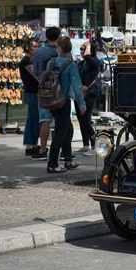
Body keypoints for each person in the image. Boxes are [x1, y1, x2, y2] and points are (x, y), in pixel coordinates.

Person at [46, 36, 86, 173]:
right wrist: (81, 104)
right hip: (63, 101)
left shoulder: (51, 62)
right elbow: (77, 86)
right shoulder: (71, 64)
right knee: (61, 132)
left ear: (59, 48)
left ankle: (68, 159)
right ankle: (52, 164)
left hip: (51, 100)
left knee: (67, 129)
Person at [32, 26, 60, 161]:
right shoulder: (62, 51)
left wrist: (42, 82)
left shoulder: (40, 52)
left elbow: (35, 72)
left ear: (46, 37)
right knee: (63, 121)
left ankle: (43, 149)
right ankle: (63, 150)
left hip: (44, 90)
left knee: (44, 120)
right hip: (60, 90)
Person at [75, 41, 100, 155]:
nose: (81, 51)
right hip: (79, 93)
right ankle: (86, 144)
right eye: (81, 49)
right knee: (80, 119)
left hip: (89, 93)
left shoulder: (94, 61)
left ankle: (95, 144)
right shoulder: (80, 63)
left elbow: (90, 60)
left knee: (86, 119)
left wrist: (88, 48)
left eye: (84, 49)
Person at [19, 38, 40, 156]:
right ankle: (31, 144)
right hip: (31, 93)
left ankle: (31, 144)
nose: (36, 49)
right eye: (34, 46)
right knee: (35, 119)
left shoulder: (31, 60)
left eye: (37, 46)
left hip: (33, 92)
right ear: (28, 47)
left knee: (32, 118)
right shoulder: (26, 61)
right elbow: (36, 75)